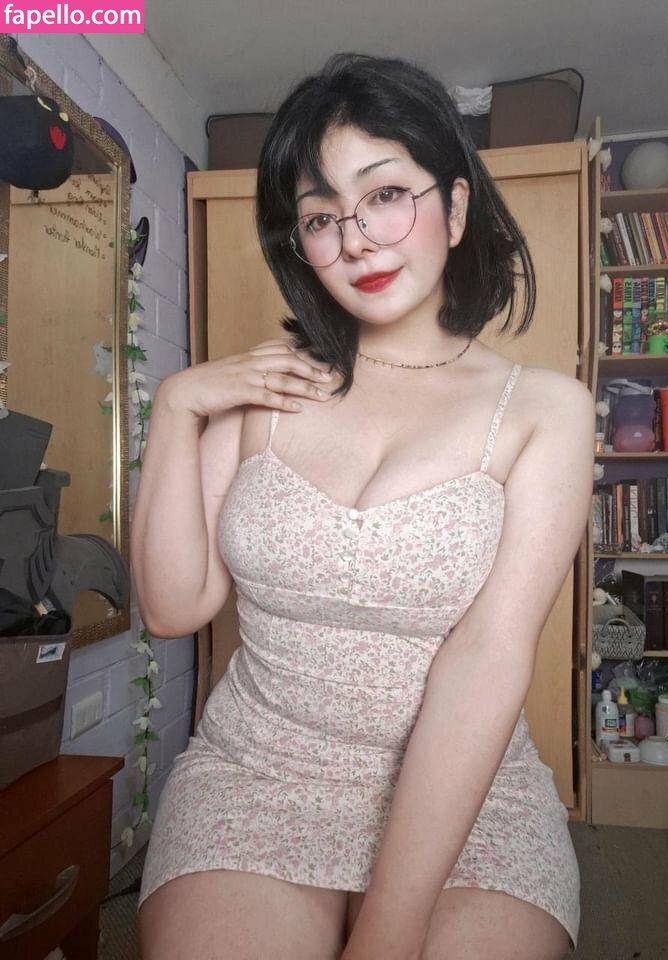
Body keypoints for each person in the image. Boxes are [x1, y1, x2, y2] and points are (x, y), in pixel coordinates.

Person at [132, 52, 595, 960]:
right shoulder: (267, 392)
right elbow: (173, 606)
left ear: (455, 208)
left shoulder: (545, 411)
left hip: (468, 797)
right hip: (257, 776)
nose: (356, 240)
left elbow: (489, 656)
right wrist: (177, 406)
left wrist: (392, 922)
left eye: (385, 196)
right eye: (320, 216)